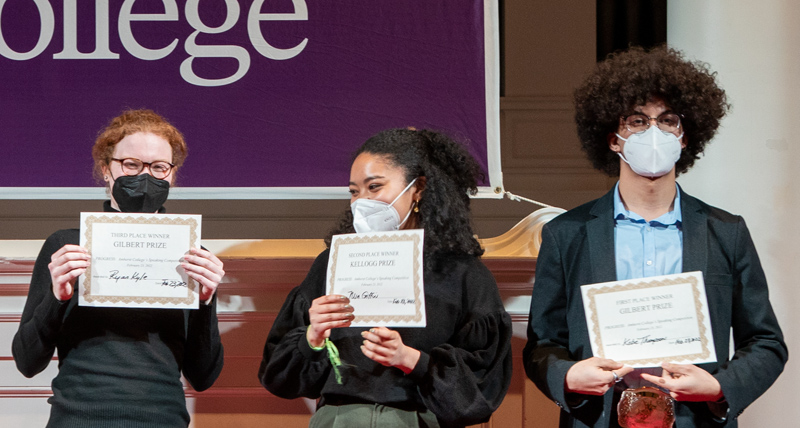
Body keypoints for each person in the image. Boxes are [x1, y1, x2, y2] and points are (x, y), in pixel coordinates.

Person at [523, 46, 787, 427]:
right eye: (637, 121)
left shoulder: (726, 231)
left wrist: (718, 386)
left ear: (683, 137)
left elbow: (766, 343)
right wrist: (566, 375)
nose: (654, 132)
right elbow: (542, 344)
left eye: (667, 120)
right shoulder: (567, 234)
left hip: (695, 420)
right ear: (613, 139)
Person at [259, 128, 512, 427]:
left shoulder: (463, 274)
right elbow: (278, 378)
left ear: (418, 188)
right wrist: (312, 338)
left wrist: (411, 360)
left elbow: (480, 394)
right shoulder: (332, 264)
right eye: (354, 191)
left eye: (374, 187)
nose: (361, 202)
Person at [12, 109, 225, 427]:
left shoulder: (192, 256)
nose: (145, 176)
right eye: (131, 164)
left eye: (158, 167)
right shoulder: (67, 247)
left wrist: (206, 300)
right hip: (77, 418)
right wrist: (56, 298)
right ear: (106, 170)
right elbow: (27, 361)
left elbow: (204, 376)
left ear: (172, 174)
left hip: (163, 420)